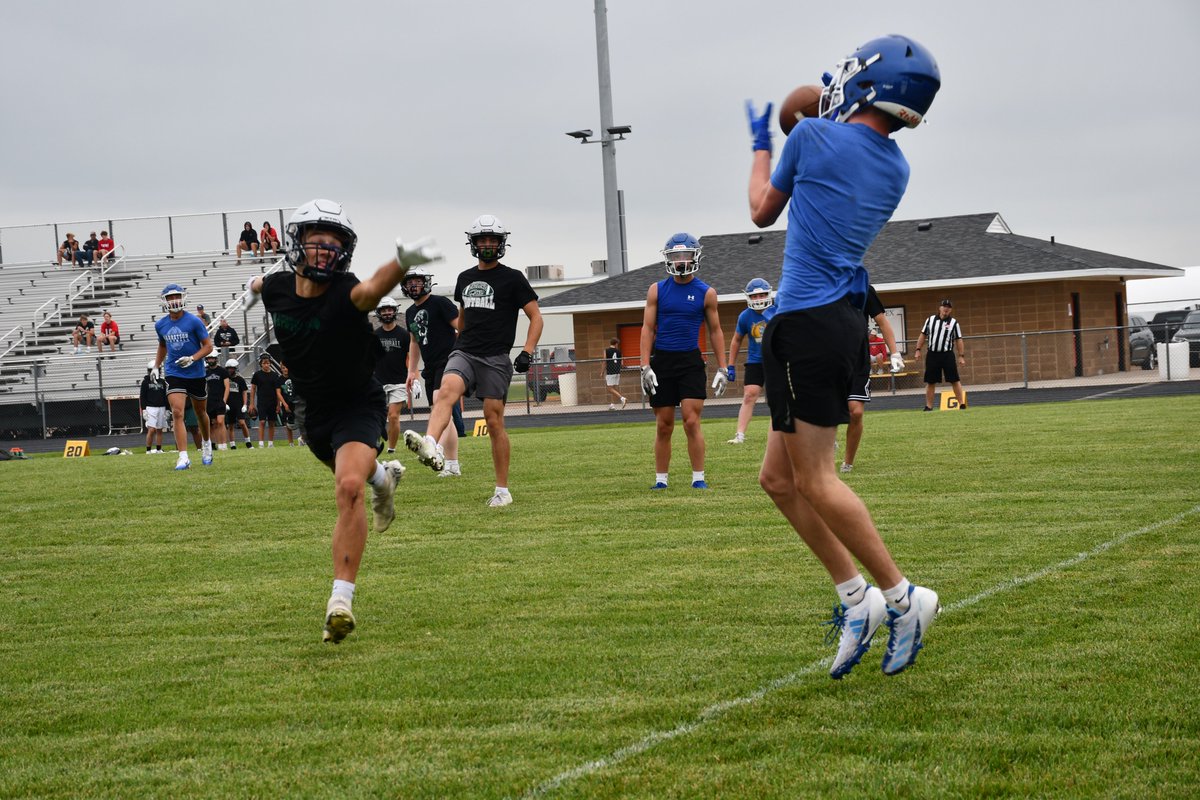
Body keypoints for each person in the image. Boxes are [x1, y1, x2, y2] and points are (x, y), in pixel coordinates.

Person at [746, 34, 941, 678]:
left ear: (867, 81)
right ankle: (855, 599)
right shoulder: (897, 168)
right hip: (833, 323)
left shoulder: (809, 139)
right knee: (777, 479)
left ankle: (903, 596)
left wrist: (760, 144)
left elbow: (759, 211)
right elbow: (839, 138)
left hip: (804, 322)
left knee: (818, 479)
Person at [246, 197, 440, 643]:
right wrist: (255, 284)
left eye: (334, 246)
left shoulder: (348, 290)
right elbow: (262, 283)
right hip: (312, 412)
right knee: (356, 476)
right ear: (297, 245)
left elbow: (371, 290)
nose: (324, 252)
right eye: (317, 243)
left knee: (347, 486)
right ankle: (385, 479)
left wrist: (402, 261)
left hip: (357, 402)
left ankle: (341, 600)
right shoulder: (277, 287)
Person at [404, 214, 542, 506]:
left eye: (493, 240)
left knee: (493, 421)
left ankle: (502, 490)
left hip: (495, 357)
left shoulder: (513, 278)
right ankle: (431, 444)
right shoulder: (464, 278)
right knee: (445, 392)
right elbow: (463, 315)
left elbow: (536, 317)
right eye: (483, 240)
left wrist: (527, 351)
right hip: (464, 350)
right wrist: (458, 337)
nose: (488, 245)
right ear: (474, 244)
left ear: (502, 243)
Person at [638, 232, 729, 490]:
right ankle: (661, 480)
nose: (680, 261)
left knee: (691, 420)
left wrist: (723, 367)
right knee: (664, 424)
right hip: (663, 361)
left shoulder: (706, 292)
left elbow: (715, 331)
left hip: (690, 360)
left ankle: (698, 477)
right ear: (668, 259)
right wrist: (645, 366)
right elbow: (647, 328)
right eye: (675, 256)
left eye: (685, 255)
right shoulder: (656, 290)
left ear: (695, 256)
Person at [402, 267, 464, 476]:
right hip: (430, 366)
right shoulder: (410, 312)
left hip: (449, 361)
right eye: (410, 282)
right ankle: (453, 465)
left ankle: (435, 449)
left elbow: (461, 328)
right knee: (444, 415)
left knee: (439, 403)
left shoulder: (440, 303)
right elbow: (414, 342)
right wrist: (412, 371)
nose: (413, 285)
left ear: (426, 282)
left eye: (417, 281)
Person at [841, 285, 904, 473]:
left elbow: (882, 321)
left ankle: (848, 462)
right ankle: (826, 441)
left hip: (858, 360)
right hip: (830, 359)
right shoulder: (823, 284)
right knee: (827, 411)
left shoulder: (862, 287)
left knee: (856, 412)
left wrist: (894, 353)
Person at [153, 283, 214, 469]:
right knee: (177, 412)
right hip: (174, 371)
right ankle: (183, 456)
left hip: (195, 372)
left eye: (176, 296)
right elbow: (163, 346)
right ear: (164, 301)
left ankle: (206, 444)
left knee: (200, 412)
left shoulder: (194, 321)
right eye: (170, 297)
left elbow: (208, 346)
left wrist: (193, 358)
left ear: (183, 297)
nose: (174, 300)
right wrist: (156, 366)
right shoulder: (160, 324)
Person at [726, 277, 777, 445]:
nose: (758, 299)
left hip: (776, 361)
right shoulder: (745, 316)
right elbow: (736, 340)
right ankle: (740, 434)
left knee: (776, 399)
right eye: (754, 296)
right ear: (748, 297)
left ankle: (776, 434)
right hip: (755, 361)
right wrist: (731, 365)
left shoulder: (779, 310)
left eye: (762, 295)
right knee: (749, 395)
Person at [373, 296, 411, 454]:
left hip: (398, 382)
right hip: (378, 382)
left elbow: (410, 357)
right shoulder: (374, 335)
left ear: (395, 311)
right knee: (376, 417)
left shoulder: (404, 334)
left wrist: (412, 378)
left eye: (390, 309)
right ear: (379, 313)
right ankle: (374, 444)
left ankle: (391, 449)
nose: (387, 313)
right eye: (384, 310)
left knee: (393, 416)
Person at [913, 299, 967, 411]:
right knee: (930, 381)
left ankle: (961, 404)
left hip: (947, 354)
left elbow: (959, 340)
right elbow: (923, 335)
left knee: (954, 379)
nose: (946, 308)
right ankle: (929, 406)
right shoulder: (930, 320)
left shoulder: (954, 323)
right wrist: (918, 349)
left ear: (951, 310)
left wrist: (961, 356)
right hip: (933, 354)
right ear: (940, 308)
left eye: (948, 307)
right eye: (944, 306)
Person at [249, 354, 280, 448]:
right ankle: (261, 443)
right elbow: (253, 389)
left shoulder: (275, 375)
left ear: (270, 363)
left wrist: (278, 405)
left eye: (268, 363)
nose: (266, 365)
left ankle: (270, 443)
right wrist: (251, 404)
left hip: (273, 401)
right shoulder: (257, 375)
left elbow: (278, 391)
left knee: (272, 422)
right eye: (264, 363)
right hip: (262, 401)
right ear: (261, 364)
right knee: (262, 421)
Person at [139, 360, 168, 454]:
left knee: (159, 429)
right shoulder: (145, 382)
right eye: (151, 370)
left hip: (162, 407)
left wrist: (167, 409)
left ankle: (159, 449)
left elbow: (166, 396)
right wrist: (144, 410)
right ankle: (148, 450)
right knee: (151, 429)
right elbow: (142, 397)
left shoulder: (163, 382)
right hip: (150, 407)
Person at [224, 358, 253, 449]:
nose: (230, 370)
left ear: (236, 368)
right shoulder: (225, 379)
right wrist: (224, 402)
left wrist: (245, 404)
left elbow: (244, 392)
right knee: (230, 425)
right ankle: (232, 444)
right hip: (228, 404)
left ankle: (248, 442)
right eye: (229, 368)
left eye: (232, 368)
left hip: (238, 403)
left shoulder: (240, 379)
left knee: (242, 422)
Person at [204, 352, 230, 450]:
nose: (210, 360)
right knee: (214, 423)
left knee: (220, 422)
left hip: (220, 400)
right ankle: (218, 444)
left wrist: (224, 400)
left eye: (212, 358)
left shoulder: (222, 371)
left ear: (216, 359)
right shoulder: (205, 372)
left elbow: (227, 387)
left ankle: (224, 444)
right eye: (209, 358)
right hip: (210, 401)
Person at [277, 363, 300, 446]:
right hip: (286, 403)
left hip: (296, 402)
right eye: (283, 368)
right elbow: (278, 393)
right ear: (281, 369)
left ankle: (302, 439)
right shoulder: (279, 379)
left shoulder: (294, 377)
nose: (285, 369)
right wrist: (284, 404)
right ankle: (291, 443)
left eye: (286, 367)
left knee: (301, 421)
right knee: (288, 423)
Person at [603, 337, 627, 411]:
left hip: (610, 371)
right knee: (614, 388)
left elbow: (604, 361)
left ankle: (622, 398)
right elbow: (622, 364)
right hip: (617, 371)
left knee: (609, 388)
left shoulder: (606, 350)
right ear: (616, 344)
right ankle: (612, 405)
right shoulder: (619, 351)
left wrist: (602, 371)